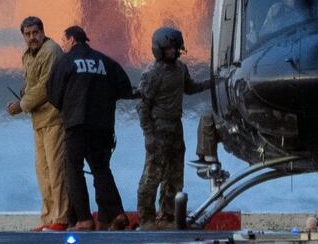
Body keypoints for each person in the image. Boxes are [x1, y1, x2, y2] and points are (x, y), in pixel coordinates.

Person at [47, 26, 138, 232]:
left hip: (77, 124)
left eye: (65, 40)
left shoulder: (66, 61)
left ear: (71, 40)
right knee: (100, 168)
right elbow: (125, 89)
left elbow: (53, 94)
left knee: (74, 169)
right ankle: (117, 213)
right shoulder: (105, 61)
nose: (64, 44)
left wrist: (67, 106)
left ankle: (84, 219)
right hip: (103, 126)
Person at [136, 27, 210, 230]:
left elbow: (190, 87)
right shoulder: (152, 74)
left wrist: (211, 83)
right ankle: (146, 219)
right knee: (152, 175)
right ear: (159, 49)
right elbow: (142, 106)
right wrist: (148, 134)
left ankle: (167, 217)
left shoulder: (180, 69)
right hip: (158, 128)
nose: (174, 52)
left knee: (175, 176)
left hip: (176, 127)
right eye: (170, 48)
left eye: (176, 48)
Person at [6, 16, 69, 232]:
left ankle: (61, 217)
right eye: (28, 34)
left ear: (43, 31)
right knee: (43, 173)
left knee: (56, 171)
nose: (32, 37)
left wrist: (21, 105)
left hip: (54, 120)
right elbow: (31, 84)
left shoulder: (51, 51)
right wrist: (22, 99)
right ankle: (49, 219)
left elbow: (44, 87)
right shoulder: (28, 56)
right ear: (23, 36)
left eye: (35, 33)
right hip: (39, 121)